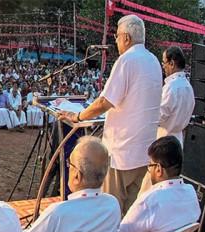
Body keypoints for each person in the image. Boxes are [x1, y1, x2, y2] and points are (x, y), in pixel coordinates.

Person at [59, 15, 162, 214]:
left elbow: (105, 102)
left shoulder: (127, 60)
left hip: (123, 151)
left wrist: (78, 117)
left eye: (116, 36)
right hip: (144, 150)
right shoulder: (154, 61)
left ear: (126, 37)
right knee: (130, 212)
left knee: (111, 210)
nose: (115, 41)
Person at [139, 46, 195, 196]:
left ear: (172, 63)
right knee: (170, 184)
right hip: (177, 139)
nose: (163, 66)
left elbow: (160, 115)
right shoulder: (188, 87)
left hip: (163, 137)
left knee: (150, 186)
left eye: (164, 62)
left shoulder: (172, 87)